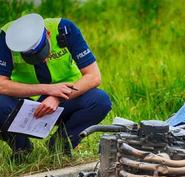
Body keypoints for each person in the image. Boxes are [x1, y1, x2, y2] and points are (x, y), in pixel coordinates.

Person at [0, 13, 112, 160]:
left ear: (47, 33)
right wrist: (47, 89)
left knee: (100, 100)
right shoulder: (6, 37)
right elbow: (1, 84)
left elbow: (93, 76)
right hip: (26, 102)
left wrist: (56, 97)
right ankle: (21, 149)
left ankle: (59, 146)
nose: (43, 59)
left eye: (43, 52)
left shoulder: (65, 29)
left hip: (66, 97)